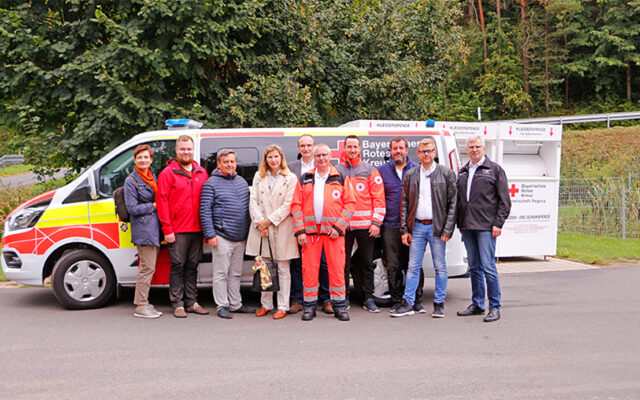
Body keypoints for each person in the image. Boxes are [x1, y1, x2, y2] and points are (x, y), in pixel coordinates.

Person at [392, 137, 457, 318]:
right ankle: (408, 303)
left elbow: (453, 204)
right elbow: (404, 203)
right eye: (422, 151)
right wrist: (405, 230)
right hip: (418, 227)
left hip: (437, 228)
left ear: (434, 153)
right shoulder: (411, 174)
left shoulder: (446, 174)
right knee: (412, 267)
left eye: (429, 151)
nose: (426, 154)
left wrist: (447, 229)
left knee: (440, 267)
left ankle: (439, 303)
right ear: (418, 154)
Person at [291, 144, 356, 321]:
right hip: (310, 234)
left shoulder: (340, 176)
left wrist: (339, 227)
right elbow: (296, 205)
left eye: (324, 155)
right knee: (309, 270)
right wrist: (300, 231)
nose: (321, 158)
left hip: (333, 233)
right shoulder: (306, 177)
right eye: (318, 155)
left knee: (336, 269)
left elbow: (350, 204)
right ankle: (309, 307)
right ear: (314, 157)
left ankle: (340, 306)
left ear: (330, 156)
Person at [456, 134, 511, 323]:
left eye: (477, 146)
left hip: (487, 227)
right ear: (467, 149)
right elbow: (460, 201)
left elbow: (505, 201)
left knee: (488, 267)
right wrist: (460, 223)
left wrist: (498, 223)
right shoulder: (463, 171)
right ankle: (478, 304)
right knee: (475, 268)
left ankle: (494, 307)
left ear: (484, 148)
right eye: (471, 147)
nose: (474, 149)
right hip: (468, 227)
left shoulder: (494, 170)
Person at [157, 135, 210, 318]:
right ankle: (177, 303)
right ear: (176, 151)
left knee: (192, 266)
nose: (186, 152)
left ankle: (192, 302)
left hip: (197, 229)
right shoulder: (167, 173)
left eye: (189, 149)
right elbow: (162, 202)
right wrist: (167, 230)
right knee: (178, 266)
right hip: (177, 230)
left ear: (193, 150)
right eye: (182, 149)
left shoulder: (201, 172)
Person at [246, 144, 298, 320]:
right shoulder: (258, 176)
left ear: (281, 158)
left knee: (283, 269)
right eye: (270, 157)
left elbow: (288, 204)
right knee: (264, 268)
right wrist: (261, 222)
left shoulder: (290, 178)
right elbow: (252, 201)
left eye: (276, 156)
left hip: (281, 227)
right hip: (261, 228)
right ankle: (266, 304)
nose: (273, 160)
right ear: (265, 159)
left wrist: (269, 221)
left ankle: (282, 306)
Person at [200, 149, 253, 319]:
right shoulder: (211, 184)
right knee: (221, 273)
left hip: (240, 236)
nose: (229, 164)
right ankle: (222, 305)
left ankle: (236, 304)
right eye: (226, 162)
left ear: (236, 163)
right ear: (219, 164)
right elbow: (205, 211)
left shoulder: (241, 182)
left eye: (232, 161)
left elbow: (247, 210)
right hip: (221, 236)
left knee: (236, 273)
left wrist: (246, 232)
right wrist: (210, 234)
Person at [336, 135, 386, 312]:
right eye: (349, 146)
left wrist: (376, 223)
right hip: (344, 226)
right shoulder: (338, 170)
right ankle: (344, 297)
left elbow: (379, 199)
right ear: (345, 149)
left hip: (366, 226)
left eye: (355, 146)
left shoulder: (369, 170)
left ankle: (368, 297)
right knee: (343, 264)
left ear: (360, 148)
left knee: (366, 263)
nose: (352, 150)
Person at [377, 136, 425, 313]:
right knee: (393, 264)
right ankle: (397, 299)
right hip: (390, 224)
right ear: (390, 151)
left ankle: (416, 299)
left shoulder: (417, 170)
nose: (398, 151)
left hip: (413, 225)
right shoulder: (382, 171)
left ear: (407, 150)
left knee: (414, 264)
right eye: (394, 148)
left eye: (401, 148)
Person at [287, 134, 333, 315]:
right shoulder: (291, 168)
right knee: (297, 263)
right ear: (298, 148)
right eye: (303, 145)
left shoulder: (323, 168)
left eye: (309, 145)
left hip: (320, 228)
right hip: (297, 224)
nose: (306, 148)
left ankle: (325, 298)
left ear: (314, 147)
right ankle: (298, 299)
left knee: (323, 264)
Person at [124, 144, 162, 319]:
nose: (143, 160)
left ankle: (144, 302)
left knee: (149, 267)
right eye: (139, 157)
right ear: (134, 160)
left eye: (146, 157)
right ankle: (141, 305)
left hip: (153, 228)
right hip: (144, 229)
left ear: (151, 159)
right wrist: (153, 206)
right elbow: (132, 208)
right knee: (146, 268)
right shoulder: (131, 180)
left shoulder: (151, 175)